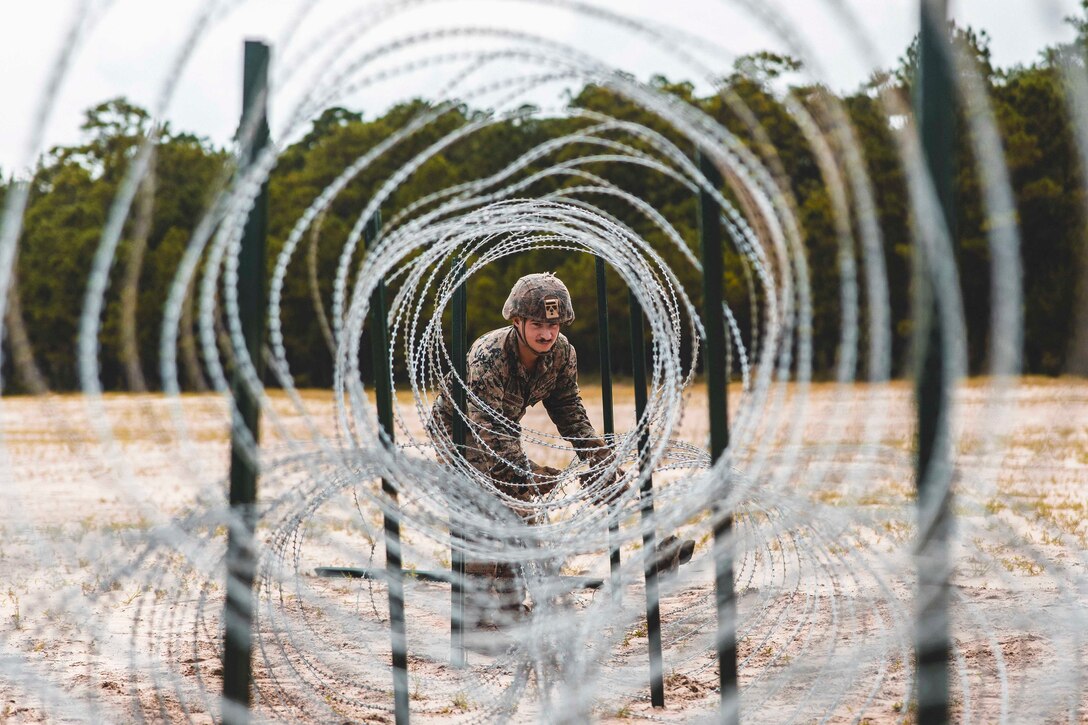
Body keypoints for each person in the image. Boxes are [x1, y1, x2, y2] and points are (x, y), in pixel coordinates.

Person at [429, 272, 692, 619]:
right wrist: (528, 475)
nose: (547, 334)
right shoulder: (489, 355)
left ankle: (653, 548)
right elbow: (487, 431)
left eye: (554, 325)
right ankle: (478, 612)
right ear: (517, 320)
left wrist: (600, 461)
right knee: (490, 509)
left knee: (524, 512)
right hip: (461, 430)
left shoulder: (562, 353)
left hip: (500, 431)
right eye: (537, 323)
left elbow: (569, 411)